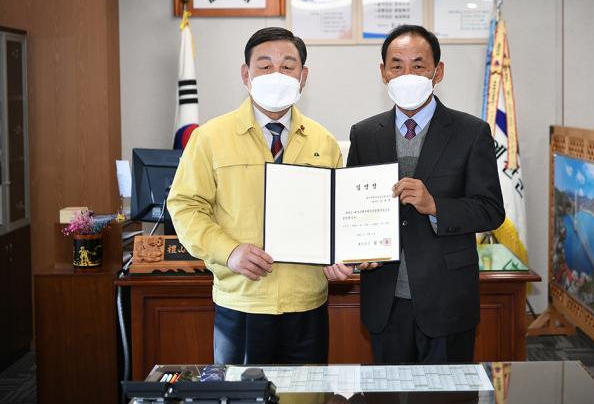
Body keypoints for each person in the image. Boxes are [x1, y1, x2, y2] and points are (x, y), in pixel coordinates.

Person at [324, 25, 505, 364]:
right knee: (387, 391)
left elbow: (491, 210)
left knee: (448, 392)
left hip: (447, 299)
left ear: (438, 72)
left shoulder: (471, 132)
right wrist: (355, 252)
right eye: (397, 66)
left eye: (418, 65)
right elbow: (352, 209)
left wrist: (435, 206)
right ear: (383, 72)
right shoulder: (364, 134)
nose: (407, 74)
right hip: (385, 298)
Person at [168, 27, 342, 365]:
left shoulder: (324, 142)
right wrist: (229, 251)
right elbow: (185, 206)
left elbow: (338, 214)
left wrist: (343, 254)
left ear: (303, 76)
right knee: (242, 393)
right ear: (246, 74)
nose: (277, 74)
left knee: (306, 393)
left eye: (288, 66)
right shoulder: (209, 138)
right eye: (265, 66)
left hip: (307, 304)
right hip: (242, 302)